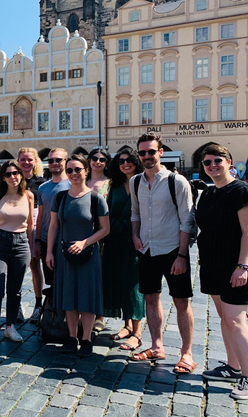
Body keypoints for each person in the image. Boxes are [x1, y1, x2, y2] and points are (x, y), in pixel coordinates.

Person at [197, 144, 248, 400]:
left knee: (236, 319)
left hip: (239, 263)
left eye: (217, 160)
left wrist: (242, 266)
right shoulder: (209, 193)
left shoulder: (242, 191)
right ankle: (233, 368)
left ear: (229, 162)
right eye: (207, 163)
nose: (212, 165)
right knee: (225, 318)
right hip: (214, 262)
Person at [129, 132, 196, 374]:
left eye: (151, 151)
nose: (146, 156)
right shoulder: (135, 181)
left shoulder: (176, 182)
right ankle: (157, 346)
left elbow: (187, 221)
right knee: (150, 298)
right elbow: (135, 213)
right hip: (146, 249)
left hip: (171, 250)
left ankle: (186, 353)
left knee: (181, 301)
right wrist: (135, 235)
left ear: (161, 152)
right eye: (142, 152)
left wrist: (181, 255)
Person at [45, 153, 109, 356]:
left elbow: (105, 229)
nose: (73, 173)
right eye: (70, 170)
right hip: (64, 254)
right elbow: (53, 226)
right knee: (68, 297)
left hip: (88, 256)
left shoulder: (95, 198)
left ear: (86, 171)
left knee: (86, 297)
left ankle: (87, 339)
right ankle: (72, 338)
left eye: (77, 170)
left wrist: (85, 242)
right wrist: (49, 252)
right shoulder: (60, 197)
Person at [0, 160, 33, 347]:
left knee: (16, 289)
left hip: (21, 244)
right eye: (8, 174)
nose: (13, 177)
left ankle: (10, 326)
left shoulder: (28, 195)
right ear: (3, 177)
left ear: (21, 175)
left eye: (15, 173)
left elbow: (30, 225)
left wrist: (31, 246)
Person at [102, 148, 145, 351]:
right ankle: (127, 325)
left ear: (136, 161)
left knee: (133, 284)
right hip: (114, 239)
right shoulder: (116, 185)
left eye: (129, 160)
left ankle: (137, 332)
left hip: (136, 239)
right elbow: (108, 210)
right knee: (118, 280)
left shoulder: (144, 183)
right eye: (121, 161)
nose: (125, 163)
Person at [33, 148, 70, 322]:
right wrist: (38, 241)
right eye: (51, 160)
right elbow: (40, 216)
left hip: (68, 242)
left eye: (58, 160)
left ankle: (67, 320)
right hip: (48, 241)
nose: (54, 163)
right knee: (52, 282)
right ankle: (54, 319)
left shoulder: (72, 184)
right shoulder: (43, 187)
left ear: (65, 161)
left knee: (67, 282)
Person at [17, 147, 46, 322]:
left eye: (30, 159)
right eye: (23, 159)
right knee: (18, 267)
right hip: (18, 226)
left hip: (36, 224)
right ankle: (17, 305)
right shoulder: (14, 180)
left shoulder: (41, 183)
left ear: (35, 162)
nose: (26, 163)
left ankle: (38, 304)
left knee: (35, 265)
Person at [86, 147, 111, 332]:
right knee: (84, 274)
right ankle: (83, 313)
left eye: (102, 159)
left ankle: (99, 315)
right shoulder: (82, 180)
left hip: (103, 235)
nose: (98, 161)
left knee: (100, 276)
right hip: (80, 232)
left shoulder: (110, 184)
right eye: (94, 158)